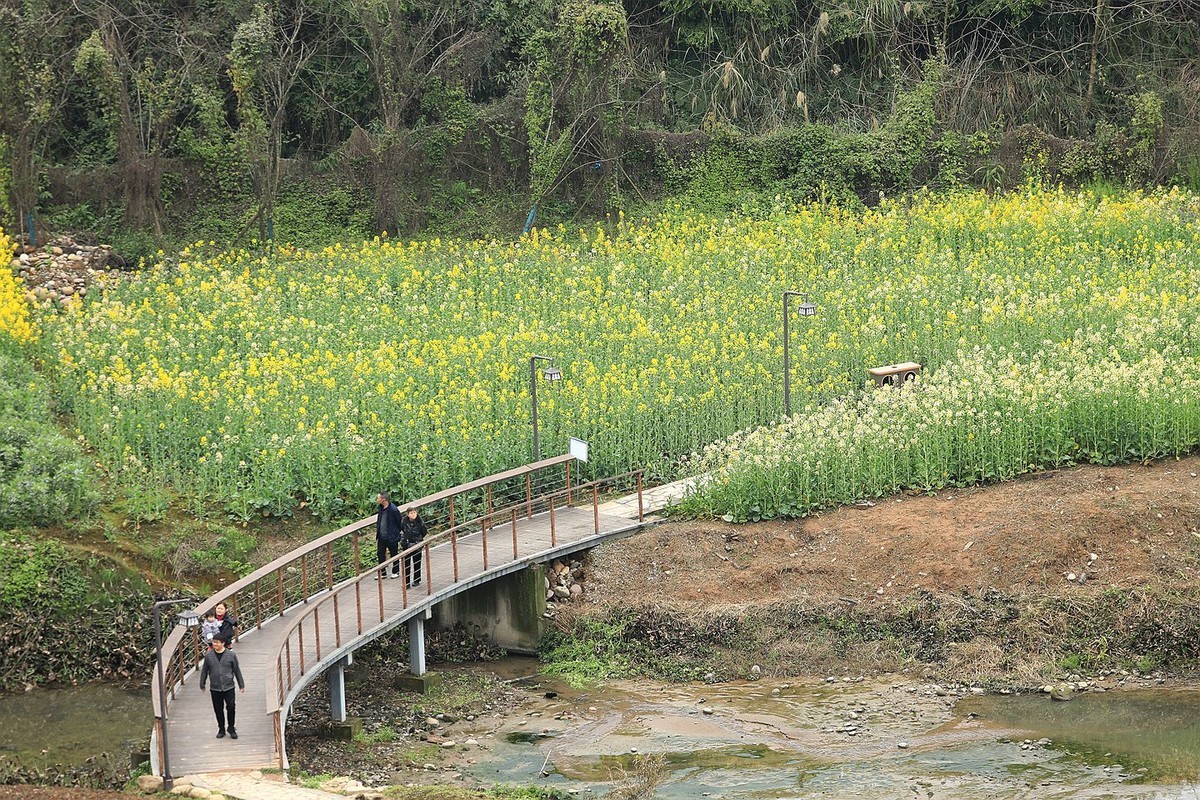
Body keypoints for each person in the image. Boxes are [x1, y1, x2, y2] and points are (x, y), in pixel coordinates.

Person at [199, 635, 245, 740]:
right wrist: (202, 683)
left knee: (231, 707)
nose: (215, 644)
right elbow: (204, 670)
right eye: (214, 642)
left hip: (229, 686)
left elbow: (236, 670)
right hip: (215, 687)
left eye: (217, 642)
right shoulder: (209, 656)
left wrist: (241, 684)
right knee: (218, 709)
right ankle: (221, 728)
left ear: (223, 643)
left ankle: (231, 727)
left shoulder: (231, 655)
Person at [376, 492, 404, 578]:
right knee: (380, 553)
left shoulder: (393, 509)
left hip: (391, 536)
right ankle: (383, 572)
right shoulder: (380, 508)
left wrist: (396, 532)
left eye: (378, 498)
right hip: (381, 536)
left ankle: (395, 571)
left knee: (394, 554)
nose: (377, 500)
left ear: (383, 500)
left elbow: (399, 522)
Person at [400, 505, 427, 587]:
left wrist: (418, 540)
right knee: (406, 564)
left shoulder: (420, 522)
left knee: (417, 562)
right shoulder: (404, 521)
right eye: (411, 513)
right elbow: (402, 530)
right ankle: (406, 583)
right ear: (408, 514)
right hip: (407, 544)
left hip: (417, 544)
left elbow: (424, 532)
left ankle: (417, 580)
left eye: (414, 512)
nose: (413, 514)